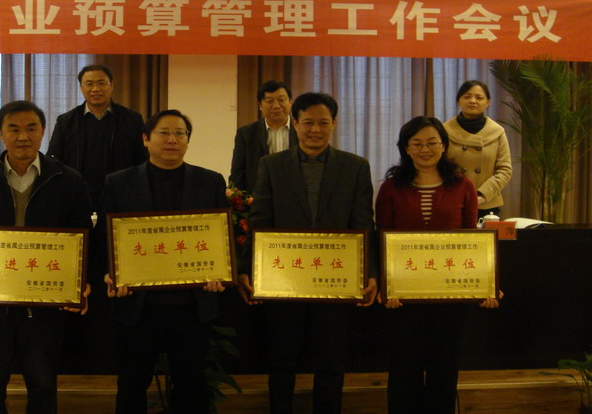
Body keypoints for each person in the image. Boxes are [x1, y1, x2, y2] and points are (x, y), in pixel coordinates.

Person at [0, 100, 92, 414]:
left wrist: (82, 282)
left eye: (31, 128)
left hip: (45, 306)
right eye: (14, 129)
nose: (23, 136)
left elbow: (83, 238)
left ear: (43, 131)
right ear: (0, 133)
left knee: (44, 387)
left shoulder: (68, 180)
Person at [237, 92, 378, 414]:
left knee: (331, 361)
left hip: (336, 280)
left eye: (323, 123)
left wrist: (370, 272)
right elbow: (259, 221)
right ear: (295, 123)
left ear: (334, 124)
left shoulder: (355, 167)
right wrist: (247, 269)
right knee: (282, 360)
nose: (316, 130)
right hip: (284, 279)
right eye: (308, 123)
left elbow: (363, 223)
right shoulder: (271, 166)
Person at [101, 109, 227, 414]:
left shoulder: (210, 182)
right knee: (131, 384)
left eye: (180, 133)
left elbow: (219, 238)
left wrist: (220, 271)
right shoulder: (118, 182)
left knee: (191, 386)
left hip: (192, 306)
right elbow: (105, 238)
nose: (172, 139)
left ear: (187, 141)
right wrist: (111, 273)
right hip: (138, 306)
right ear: (146, 139)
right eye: (164, 132)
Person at [376, 116, 500, 414]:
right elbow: (382, 238)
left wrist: (488, 285)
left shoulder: (463, 186)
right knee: (404, 369)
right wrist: (385, 285)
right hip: (403, 296)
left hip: (450, 296)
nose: (425, 149)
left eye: (432, 142)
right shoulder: (391, 187)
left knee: (444, 369)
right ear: (406, 148)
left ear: (444, 145)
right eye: (417, 143)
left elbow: (472, 241)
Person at [46, 64, 148, 212]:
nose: (96, 89)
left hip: (120, 195)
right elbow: (54, 160)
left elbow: (142, 160)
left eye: (101, 83)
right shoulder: (66, 121)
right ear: (81, 88)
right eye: (89, 84)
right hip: (78, 195)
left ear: (111, 85)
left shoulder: (132, 119)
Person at [443, 80, 512, 218]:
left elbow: (505, 170)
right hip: (452, 200)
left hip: (487, 203)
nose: (473, 101)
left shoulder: (497, 132)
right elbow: (439, 167)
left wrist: (482, 195)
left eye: (479, 97)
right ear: (458, 101)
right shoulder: (444, 130)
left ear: (488, 102)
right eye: (467, 96)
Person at [229, 80, 297, 192]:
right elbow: (237, 173)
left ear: (290, 102)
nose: (276, 106)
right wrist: (240, 199)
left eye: (281, 100)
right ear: (260, 105)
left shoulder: (302, 130)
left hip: (294, 195)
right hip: (258, 197)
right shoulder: (246, 134)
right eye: (270, 101)